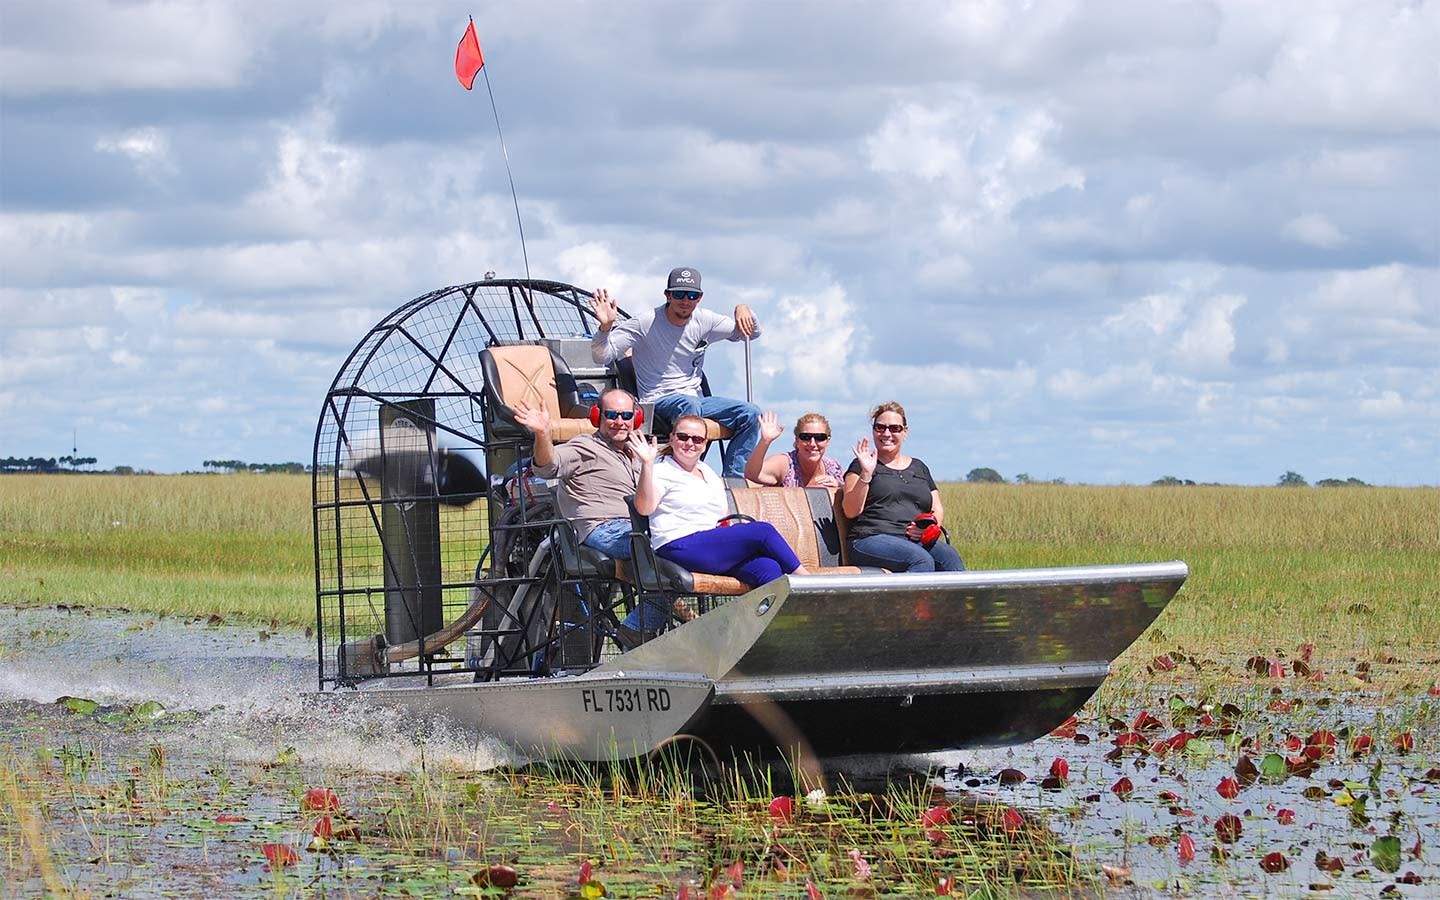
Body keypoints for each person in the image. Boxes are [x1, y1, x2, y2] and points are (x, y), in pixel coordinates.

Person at [513, 389, 680, 640]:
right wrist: (542, 433)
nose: (619, 421)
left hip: (638, 529)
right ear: (597, 417)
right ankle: (635, 630)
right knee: (670, 548)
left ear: (636, 418)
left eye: (626, 415)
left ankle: (639, 630)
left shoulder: (639, 452)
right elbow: (548, 466)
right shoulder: (584, 446)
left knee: (683, 552)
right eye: (612, 414)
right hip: (603, 529)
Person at [590, 267, 761, 478]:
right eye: (679, 294)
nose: (685, 300)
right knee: (689, 404)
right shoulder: (646, 322)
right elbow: (602, 355)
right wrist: (605, 328)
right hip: (658, 399)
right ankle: (684, 474)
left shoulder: (705, 320)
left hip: (695, 399)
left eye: (692, 295)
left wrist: (744, 309)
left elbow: (750, 334)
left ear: (700, 298)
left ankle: (733, 479)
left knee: (751, 413)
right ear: (667, 295)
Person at [633, 415, 810, 598]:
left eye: (697, 439)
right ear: (672, 438)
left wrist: (735, 542)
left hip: (710, 547)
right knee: (762, 531)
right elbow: (644, 508)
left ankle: (772, 624)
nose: (690, 443)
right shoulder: (661, 471)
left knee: (767, 567)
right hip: (677, 545)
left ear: (704, 443)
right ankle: (809, 583)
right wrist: (647, 464)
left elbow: (723, 517)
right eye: (683, 437)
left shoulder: (707, 471)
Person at [840, 401, 965, 572]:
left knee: (949, 557)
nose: (886, 433)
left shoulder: (919, 467)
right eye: (880, 427)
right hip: (869, 538)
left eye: (894, 428)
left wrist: (930, 529)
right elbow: (850, 510)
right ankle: (911, 600)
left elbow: (937, 508)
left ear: (905, 431)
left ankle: (953, 600)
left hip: (913, 539)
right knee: (920, 560)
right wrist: (866, 473)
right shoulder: (860, 465)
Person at [744, 411, 845, 488]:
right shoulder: (785, 464)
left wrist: (839, 487)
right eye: (806, 437)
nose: (812, 443)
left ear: (828, 441)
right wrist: (765, 441)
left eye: (820, 437)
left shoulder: (834, 468)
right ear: (797, 440)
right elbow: (751, 474)